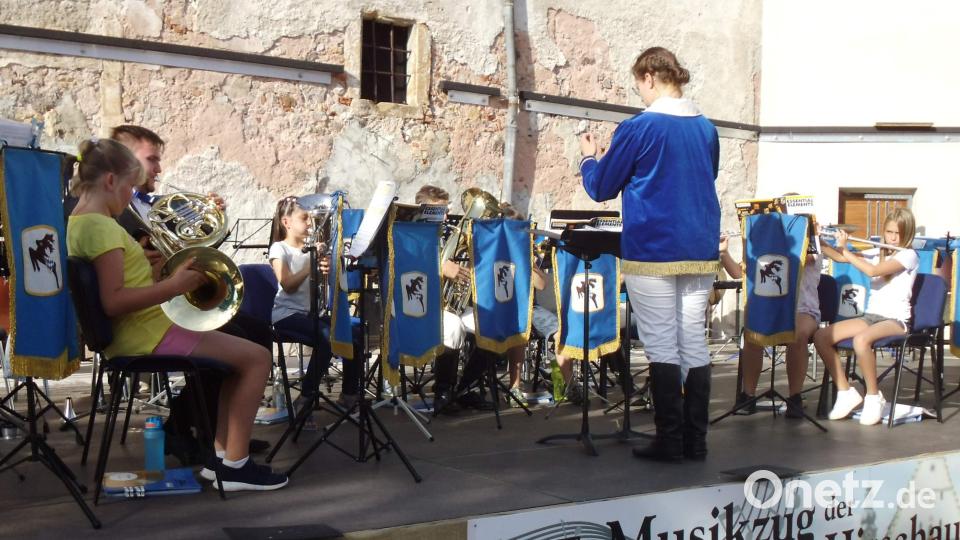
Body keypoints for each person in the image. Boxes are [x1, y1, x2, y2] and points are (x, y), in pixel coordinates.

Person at [66, 138, 287, 491]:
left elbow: (118, 289)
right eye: (128, 187)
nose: (129, 198)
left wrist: (153, 270)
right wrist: (176, 285)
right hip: (146, 333)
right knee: (258, 358)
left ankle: (223, 460)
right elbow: (113, 302)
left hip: (143, 329)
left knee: (242, 356)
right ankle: (235, 465)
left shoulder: (80, 222)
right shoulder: (102, 226)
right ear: (110, 181)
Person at [578, 47, 719, 462]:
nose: (640, 92)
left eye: (639, 84)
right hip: (700, 245)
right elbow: (703, 177)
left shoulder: (638, 128)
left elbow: (601, 188)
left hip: (655, 246)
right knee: (694, 343)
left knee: (660, 344)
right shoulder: (707, 128)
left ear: (652, 76)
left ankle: (670, 441)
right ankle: (696, 441)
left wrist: (589, 158)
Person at [105, 125, 274, 463]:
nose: (158, 169)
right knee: (243, 342)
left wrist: (206, 223)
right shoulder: (118, 215)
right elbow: (151, 269)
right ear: (125, 161)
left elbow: (182, 253)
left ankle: (218, 431)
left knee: (256, 331)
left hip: (159, 304)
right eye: (151, 159)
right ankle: (201, 434)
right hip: (150, 314)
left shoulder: (142, 207)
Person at [721, 227, 843, 418]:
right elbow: (738, 273)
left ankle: (795, 397)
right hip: (772, 308)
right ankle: (748, 395)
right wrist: (723, 252)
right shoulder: (769, 245)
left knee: (798, 334)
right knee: (752, 332)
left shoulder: (812, 245)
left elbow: (801, 261)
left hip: (804, 309)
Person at [813, 208, 919, 426]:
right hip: (872, 316)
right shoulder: (878, 250)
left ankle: (873, 396)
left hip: (896, 320)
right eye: (889, 232)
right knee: (822, 336)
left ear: (908, 234)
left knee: (861, 341)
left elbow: (873, 271)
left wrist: (846, 249)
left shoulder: (909, 255)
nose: (893, 238)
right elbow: (841, 258)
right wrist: (817, 238)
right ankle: (845, 391)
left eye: (899, 234)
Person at [268, 196, 360, 408]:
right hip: (286, 315)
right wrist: (313, 262)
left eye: (310, 218)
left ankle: (349, 394)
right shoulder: (279, 249)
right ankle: (307, 397)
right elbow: (288, 283)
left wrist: (327, 270)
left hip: (310, 313)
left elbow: (320, 283)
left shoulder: (312, 249)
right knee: (327, 338)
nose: (310, 223)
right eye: (304, 218)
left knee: (351, 333)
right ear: (286, 222)